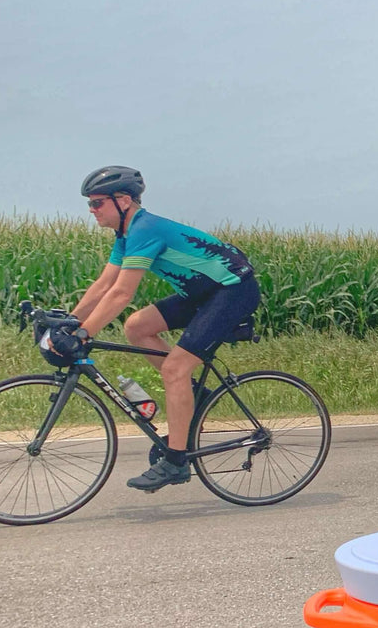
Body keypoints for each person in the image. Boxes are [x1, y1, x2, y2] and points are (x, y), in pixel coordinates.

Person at [59, 166, 260, 491]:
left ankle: (176, 461)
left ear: (123, 200)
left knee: (174, 369)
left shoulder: (145, 229)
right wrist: (71, 321)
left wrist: (84, 333)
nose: (92, 210)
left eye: (97, 203)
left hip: (233, 291)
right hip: (204, 294)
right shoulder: (126, 235)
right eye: (90, 204)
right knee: (136, 326)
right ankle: (195, 393)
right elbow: (104, 285)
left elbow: (122, 294)